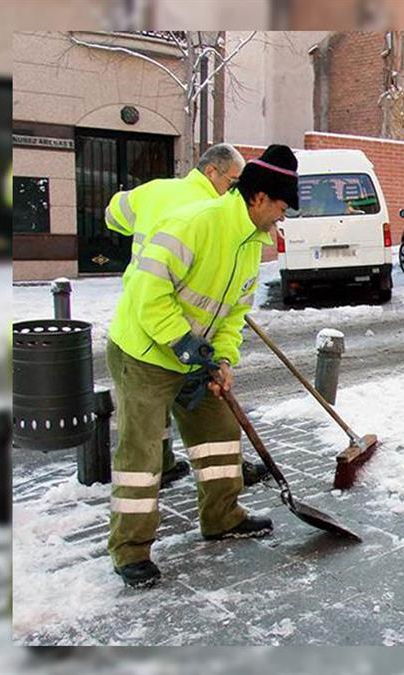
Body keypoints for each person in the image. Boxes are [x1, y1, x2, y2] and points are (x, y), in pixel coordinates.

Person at [104, 145, 298, 588]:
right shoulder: (195, 224)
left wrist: (223, 358)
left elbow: (233, 313)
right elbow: (146, 293)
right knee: (142, 452)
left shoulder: (252, 244)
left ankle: (222, 517)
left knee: (218, 436)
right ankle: (130, 549)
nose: (282, 218)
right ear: (259, 199)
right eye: (282, 207)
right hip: (144, 353)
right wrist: (184, 344)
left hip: (194, 354)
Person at [103, 144, 247, 487]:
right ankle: (168, 470)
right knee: (151, 416)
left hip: (142, 321)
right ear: (211, 171)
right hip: (162, 322)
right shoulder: (209, 211)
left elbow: (113, 214)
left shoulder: (156, 190)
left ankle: (167, 465)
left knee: (150, 416)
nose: (235, 190)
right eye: (233, 181)